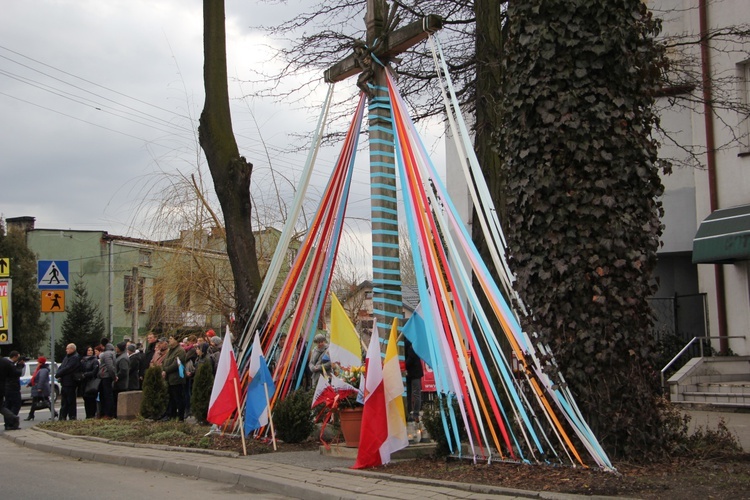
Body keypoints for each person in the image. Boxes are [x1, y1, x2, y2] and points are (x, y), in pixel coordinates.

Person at [161, 333, 187, 421]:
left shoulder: (180, 351)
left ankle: (180, 417)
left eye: (171, 338)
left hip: (177, 378)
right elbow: (165, 361)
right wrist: (163, 369)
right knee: (171, 399)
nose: (169, 340)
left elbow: (177, 364)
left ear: (176, 340)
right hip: (170, 378)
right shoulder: (170, 350)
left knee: (178, 398)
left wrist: (166, 370)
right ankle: (171, 415)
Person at [56, 343, 82, 420]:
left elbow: (68, 368)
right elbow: (61, 367)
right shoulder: (67, 357)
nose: (66, 350)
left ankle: (72, 416)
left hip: (70, 382)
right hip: (64, 382)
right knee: (64, 401)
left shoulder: (75, 358)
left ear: (72, 349)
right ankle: (62, 416)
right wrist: (58, 373)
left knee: (70, 401)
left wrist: (59, 374)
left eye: (67, 348)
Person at [25, 357, 55, 421]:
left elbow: (41, 379)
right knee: (46, 402)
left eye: (38, 362)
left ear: (41, 363)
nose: (37, 363)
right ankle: (54, 413)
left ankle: (31, 415)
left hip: (41, 389)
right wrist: (30, 384)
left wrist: (39, 388)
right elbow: (36, 378)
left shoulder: (43, 370)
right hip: (39, 388)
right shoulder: (40, 369)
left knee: (37, 402)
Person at [404, 339, 424, 423]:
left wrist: (403, 365)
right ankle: (412, 413)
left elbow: (411, 358)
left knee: (414, 394)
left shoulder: (409, 342)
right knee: (413, 394)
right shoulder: (411, 341)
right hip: (412, 372)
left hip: (413, 372)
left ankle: (414, 414)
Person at [0, 353, 21, 429]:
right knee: (1, 407)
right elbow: (15, 373)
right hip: (2, 387)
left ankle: (13, 418)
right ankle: (13, 418)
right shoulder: (5, 362)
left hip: (6, 387)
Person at [98, 339, 117, 419]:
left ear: (103, 345)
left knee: (106, 395)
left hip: (106, 376)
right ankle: (106, 413)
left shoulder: (107, 354)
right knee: (106, 395)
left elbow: (110, 366)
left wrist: (114, 376)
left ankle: (108, 414)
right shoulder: (112, 352)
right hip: (107, 376)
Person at [3, 351, 24, 418]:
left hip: (7, 388)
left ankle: (8, 424)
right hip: (13, 388)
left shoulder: (7, 364)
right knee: (16, 404)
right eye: (18, 357)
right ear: (14, 357)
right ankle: (12, 421)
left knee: (8, 406)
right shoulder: (10, 364)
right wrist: (20, 366)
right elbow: (17, 373)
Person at [80, 346, 100, 418]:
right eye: (88, 350)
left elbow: (94, 371)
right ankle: (88, 415)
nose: (90, 351)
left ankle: (92, 415)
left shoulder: (94, 360)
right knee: (86, 400)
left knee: (91, 400)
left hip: (91, 382)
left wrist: (85, 374)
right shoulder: (83, 360)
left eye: (91, 350)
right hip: (84, 383)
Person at [113, 342, 129, 418]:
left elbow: (124, 370)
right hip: (117, 383)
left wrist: (117, 377)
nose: (116, 348)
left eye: (117, 347)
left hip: (120, 384)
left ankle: (119, 415)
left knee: (119, 400)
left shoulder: (123, 358)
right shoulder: (119, 357)